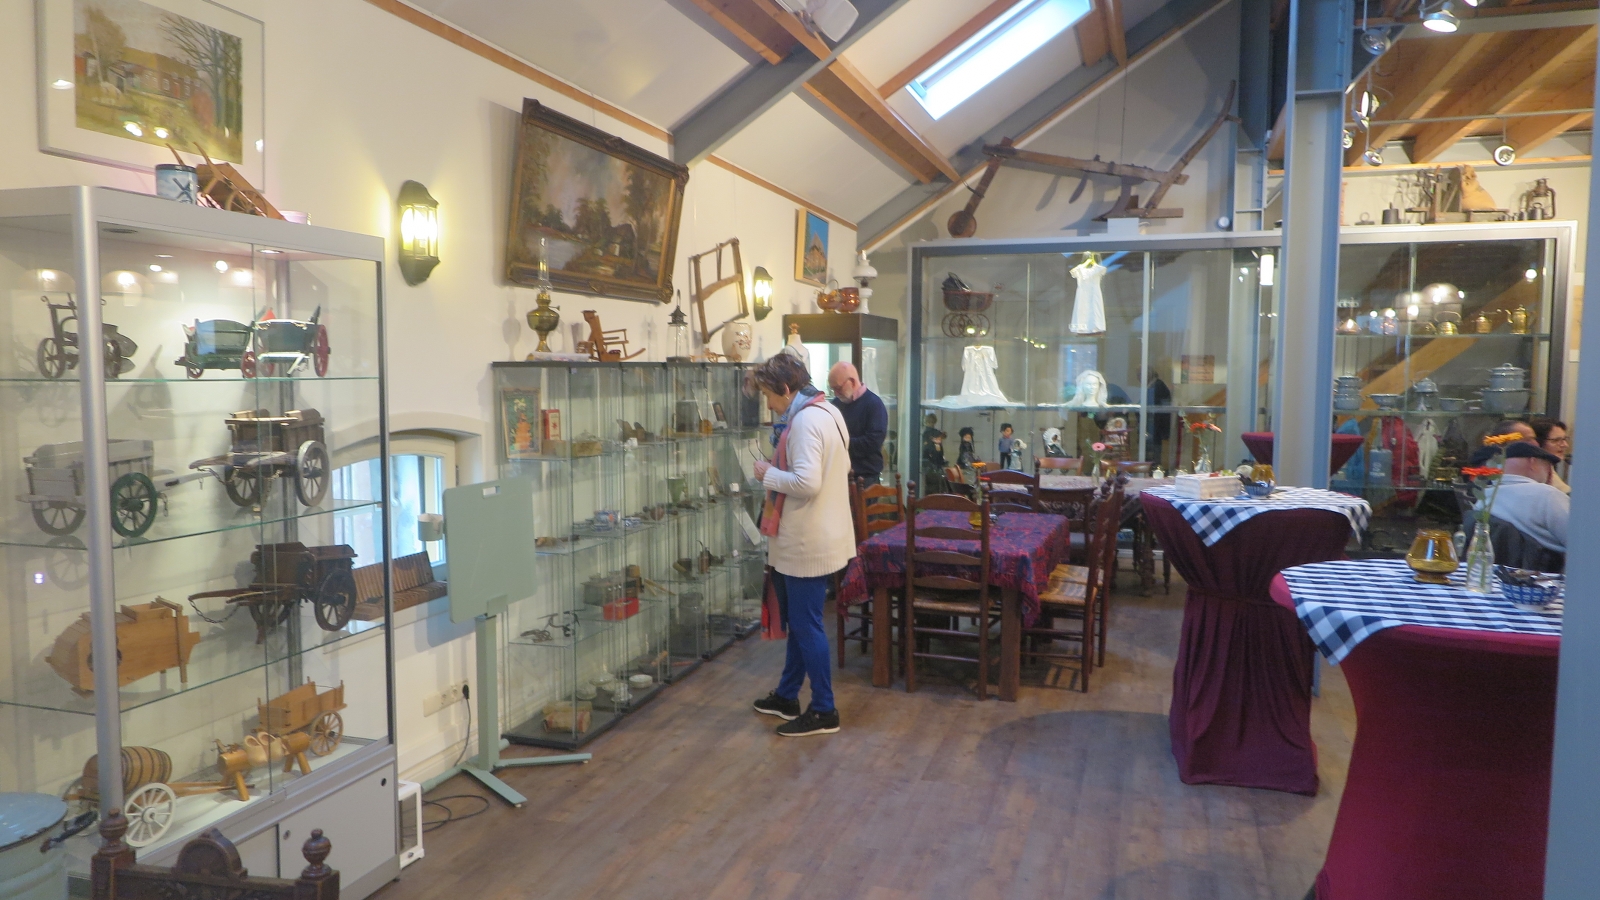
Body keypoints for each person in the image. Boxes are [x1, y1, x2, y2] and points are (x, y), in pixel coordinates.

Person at [749, 353, 855, 737]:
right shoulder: (827, 411)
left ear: (785, 388)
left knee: (807, 626)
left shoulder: (806, 421)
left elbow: (807, 483)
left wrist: (768, 473)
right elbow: (840, 468)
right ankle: (787, 695)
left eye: (769, 395)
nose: (768, 404)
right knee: (800, 622)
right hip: (821, 533)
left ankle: (824, 710)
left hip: (808, 540)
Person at [1479, 441, 1568, 569]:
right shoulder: (1546, 495)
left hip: (1494, 574)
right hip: (1546, 576)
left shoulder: (1484, 498)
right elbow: (1584, 542)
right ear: (1533, 463)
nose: (1551, 474)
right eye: (1548, 467)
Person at [828, 361, 888, 485]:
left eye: (838, 388)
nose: (836, 393)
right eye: (833, 389)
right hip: (840, 475)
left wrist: (842, 443)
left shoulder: (874, 404)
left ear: (853, 382)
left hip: (865, 478)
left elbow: (873, 442)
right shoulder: (836, 404)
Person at [1466, 420, 1536, 468]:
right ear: (1502, 443)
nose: (1535, 444)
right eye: (1527, 440)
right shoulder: (1490, 468)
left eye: (1534, 439)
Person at [1530, 417, 1572, 494]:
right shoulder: (1535, 472)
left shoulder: (1548, 468)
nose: (1565, 445)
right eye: (1556, 440)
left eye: (1564, 439)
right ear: (1538, 443)